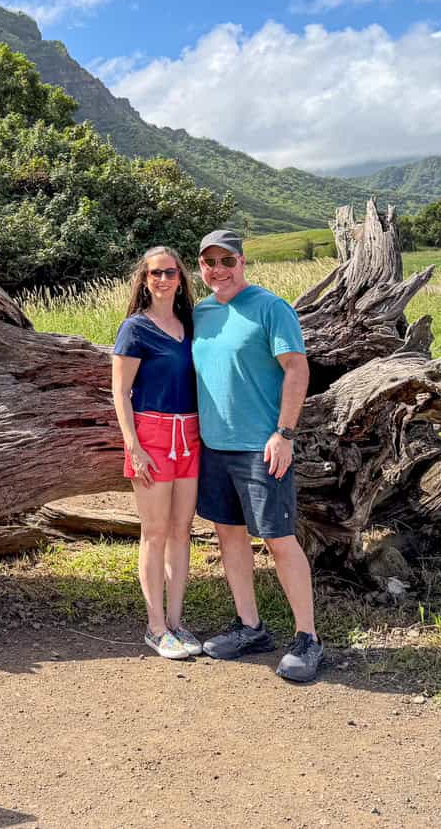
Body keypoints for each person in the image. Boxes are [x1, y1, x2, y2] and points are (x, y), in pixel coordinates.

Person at [190, 229, 323, 682]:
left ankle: (308, 638)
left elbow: (296, 369)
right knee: (228, 536)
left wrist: (284, 433)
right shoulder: (202, 313)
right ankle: (251, 628)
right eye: (209, 262)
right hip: (213, 447)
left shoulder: (271, 308)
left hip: (261, 448)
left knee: (278, 540)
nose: (218, 270)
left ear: (242, 262)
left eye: (226, 261)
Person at [110, 246, 203, 660]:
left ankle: (178, 622)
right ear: (144, 280)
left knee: (183, 530)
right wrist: (133, 444)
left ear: (181, 278)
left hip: (191, 432)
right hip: (151, 434)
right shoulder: (134, 328)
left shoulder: (190, 324)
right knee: (156, 532)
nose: (163, 279)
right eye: (155, 274)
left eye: (170, 272)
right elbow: (120, 392)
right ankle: (155, 626)